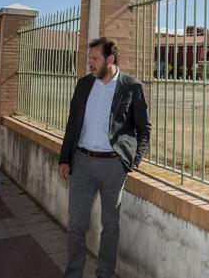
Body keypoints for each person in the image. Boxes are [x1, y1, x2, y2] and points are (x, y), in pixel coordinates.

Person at [58, 37, 151, 278]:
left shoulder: (131, 87)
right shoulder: (84, 85)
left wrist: (132, 160)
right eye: (89, 58)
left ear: (110, 60)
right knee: (76, 225)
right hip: (82, 162)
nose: (90, 63)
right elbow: (72, 123)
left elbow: (144, 128)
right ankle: (73, 274)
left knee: (110, 227)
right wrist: (65, 158)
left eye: (94, 59)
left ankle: (105, 274)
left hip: (113, 165)